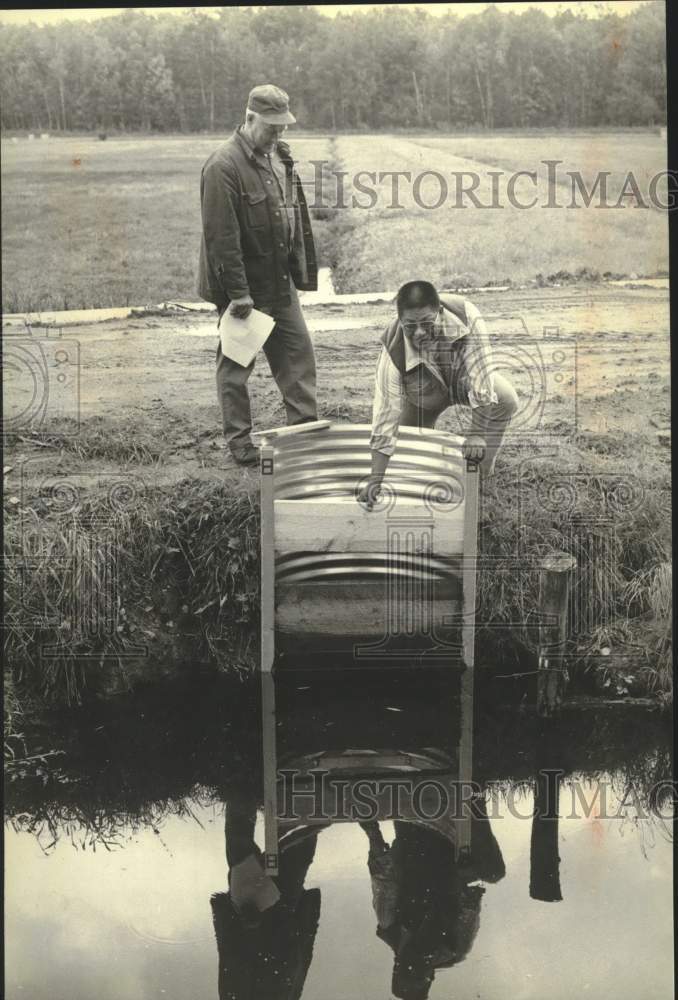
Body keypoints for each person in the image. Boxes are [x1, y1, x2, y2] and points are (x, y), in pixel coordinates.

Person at [197, 84, 318, 466]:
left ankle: (303, 436)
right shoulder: (223, 166)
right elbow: (222, 238)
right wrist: (238, 294)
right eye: (271, 128)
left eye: (284, 128)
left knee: (298, 358)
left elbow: (287, 215)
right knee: (236, 367)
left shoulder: (274, 157)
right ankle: (240, 444)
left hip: (279, 283)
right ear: (250, 119)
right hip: (245, 290)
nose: (278, 135)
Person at [357, 280, 519, 507]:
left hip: (463, 381)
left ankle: (480, 478)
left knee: (506, 399)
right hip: (424, 394)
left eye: (427, 323)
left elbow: (481, 378)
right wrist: (375, 479)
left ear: (439, 312)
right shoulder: (392, 349)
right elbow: (385, 415)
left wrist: (476, 434)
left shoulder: (466, 315)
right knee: (407, 457)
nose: (419, 333)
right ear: (400, 320)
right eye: (410, 326)